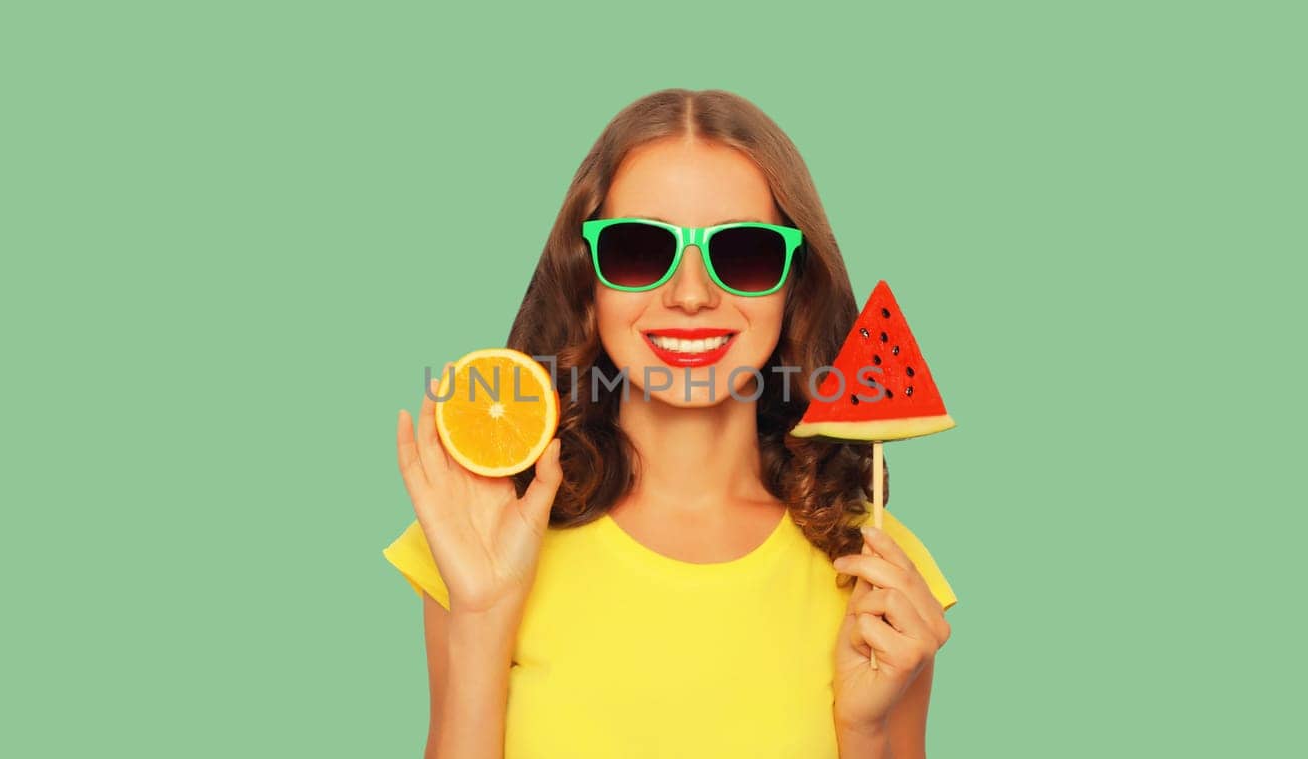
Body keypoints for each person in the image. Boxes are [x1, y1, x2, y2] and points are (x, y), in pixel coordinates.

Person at [385, 88, 958, 758]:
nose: (690, 295)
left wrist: (864, 730)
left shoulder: (879, 572)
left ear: (792, 283)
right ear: (587, 278)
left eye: (743, 253)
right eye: (638, 250)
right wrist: (481, 620)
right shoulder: (484, 535)